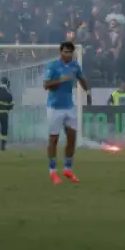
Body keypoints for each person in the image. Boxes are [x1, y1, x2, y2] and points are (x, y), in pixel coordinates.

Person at [42, 41, 92, 184]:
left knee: (72, 138)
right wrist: (60, 80)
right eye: (65, 52)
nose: (67, 54)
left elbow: (81, 78)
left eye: (70, 52)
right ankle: (52, 172)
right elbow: (46, 85)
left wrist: (87, 92)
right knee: (54, 140)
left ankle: (67, 169)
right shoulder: (53, 66)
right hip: (54, 107)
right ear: (61, 52)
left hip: (69, 107)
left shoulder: (75, 66)